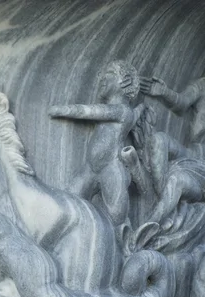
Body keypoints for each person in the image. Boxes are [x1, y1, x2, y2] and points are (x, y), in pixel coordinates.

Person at [49, 60, 143, 226]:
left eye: (109, 75)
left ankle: (122, 240)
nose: (102, 80)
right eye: (102, 76)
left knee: (117, 217)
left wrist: (62, 110)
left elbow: (92, 111)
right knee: (67, 202)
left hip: (111, 168)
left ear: (125, 82)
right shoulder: (126, 112)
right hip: (90, 168)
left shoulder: (122, 110)